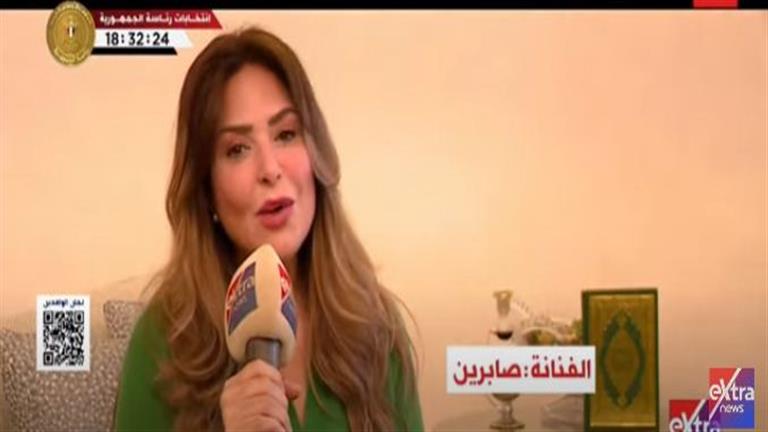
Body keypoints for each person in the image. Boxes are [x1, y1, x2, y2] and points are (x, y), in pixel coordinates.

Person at [114, 26, 423, 432]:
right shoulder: (162, 340)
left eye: (286, 134)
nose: (270, 169)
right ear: (206, 188)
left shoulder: (376, 325)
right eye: (237, 149)